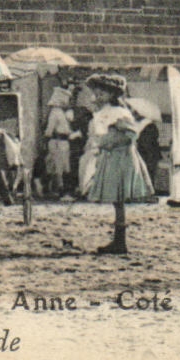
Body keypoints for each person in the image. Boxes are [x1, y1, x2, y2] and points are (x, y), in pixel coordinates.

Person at [81, 73, 154, 255]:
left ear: (112, 95)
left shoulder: (119, 113)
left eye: (102, 93)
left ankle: (120, 242)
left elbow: (131, 134)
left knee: (118, 198)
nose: (97, 96)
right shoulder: (102, 113)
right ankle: (118, 240)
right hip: (110, 156)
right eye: (96, 93)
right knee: (116, 200)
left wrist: (111, 141)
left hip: (121, 157)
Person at [44, 88, 75, 198]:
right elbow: (49, 130)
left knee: (65, 166)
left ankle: (62, 190)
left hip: (63, 142)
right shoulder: (55, 112)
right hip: (57, 141)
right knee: (58, 167)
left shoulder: (61, 112)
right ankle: (60, 191)